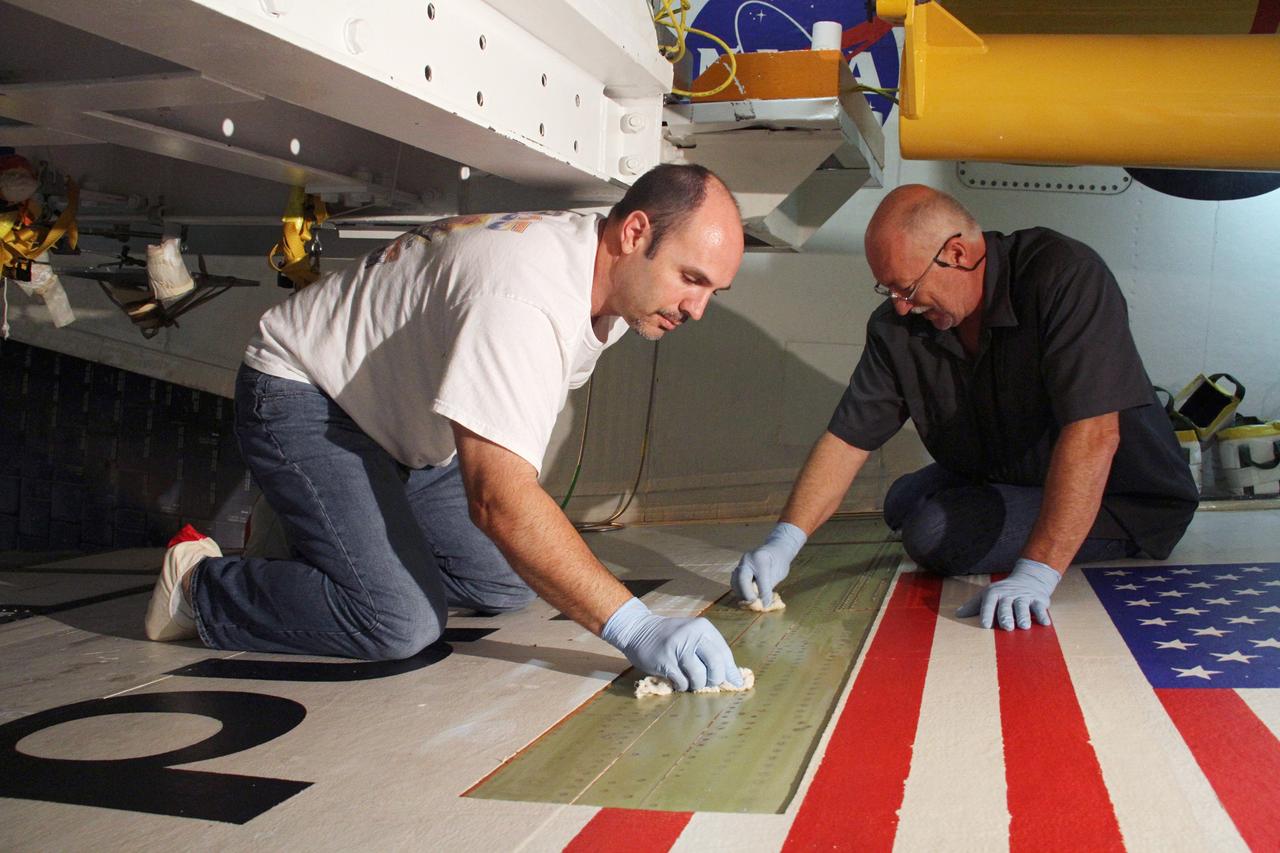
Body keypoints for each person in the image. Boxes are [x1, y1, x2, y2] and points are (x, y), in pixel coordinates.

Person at [144, 164, 747, 692]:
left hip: (408, 428)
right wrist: (636, 626)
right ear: (635, 231)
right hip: (309, 397)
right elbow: (500, 502)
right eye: (691, 279)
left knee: (504, 584)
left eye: (712, 291)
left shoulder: (606, 266)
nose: (696, 309)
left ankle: (323, 540)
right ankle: (199, 588)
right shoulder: (527, 299)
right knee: (398, 622)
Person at [732, 184, 1198, 631]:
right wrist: (785, 541)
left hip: (1124, 493)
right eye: (888, 291)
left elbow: (1095, 436)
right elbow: (846, 440)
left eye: (906, 289)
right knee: (901, 501)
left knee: (931, 533)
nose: (899, 307)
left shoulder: (1063, 275)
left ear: (956, 254)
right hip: (1014, 471)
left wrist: (1038, 570)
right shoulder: (898, 329)